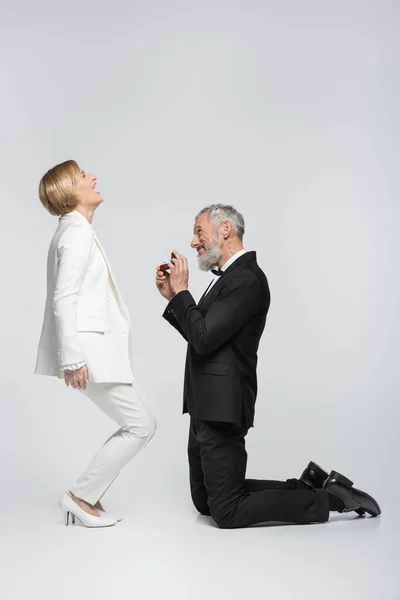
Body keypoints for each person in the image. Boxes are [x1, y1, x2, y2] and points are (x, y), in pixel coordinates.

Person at [156, 204, 380, 529]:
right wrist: (173, 299)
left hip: (222, 407)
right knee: (206, 500)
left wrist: (183, 292)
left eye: (199, 231)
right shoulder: (228, 279)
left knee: (227, 512)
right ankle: (306, 487)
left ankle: (331, 499)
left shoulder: (246, 280)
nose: (193, 242)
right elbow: (201, 334)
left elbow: (202, 338)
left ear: (225, 229)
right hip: (203, 404)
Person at [35, 160, 156, 528]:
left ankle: (86, 496)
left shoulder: (73, 230)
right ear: (72, 192)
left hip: (90, 351)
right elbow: (63, 297)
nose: (93, 177)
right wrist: (72, 358)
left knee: (139, 423)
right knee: (141, 424)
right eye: (85, 176)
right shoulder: (77, 233)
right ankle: (80, 497)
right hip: (89, 352)